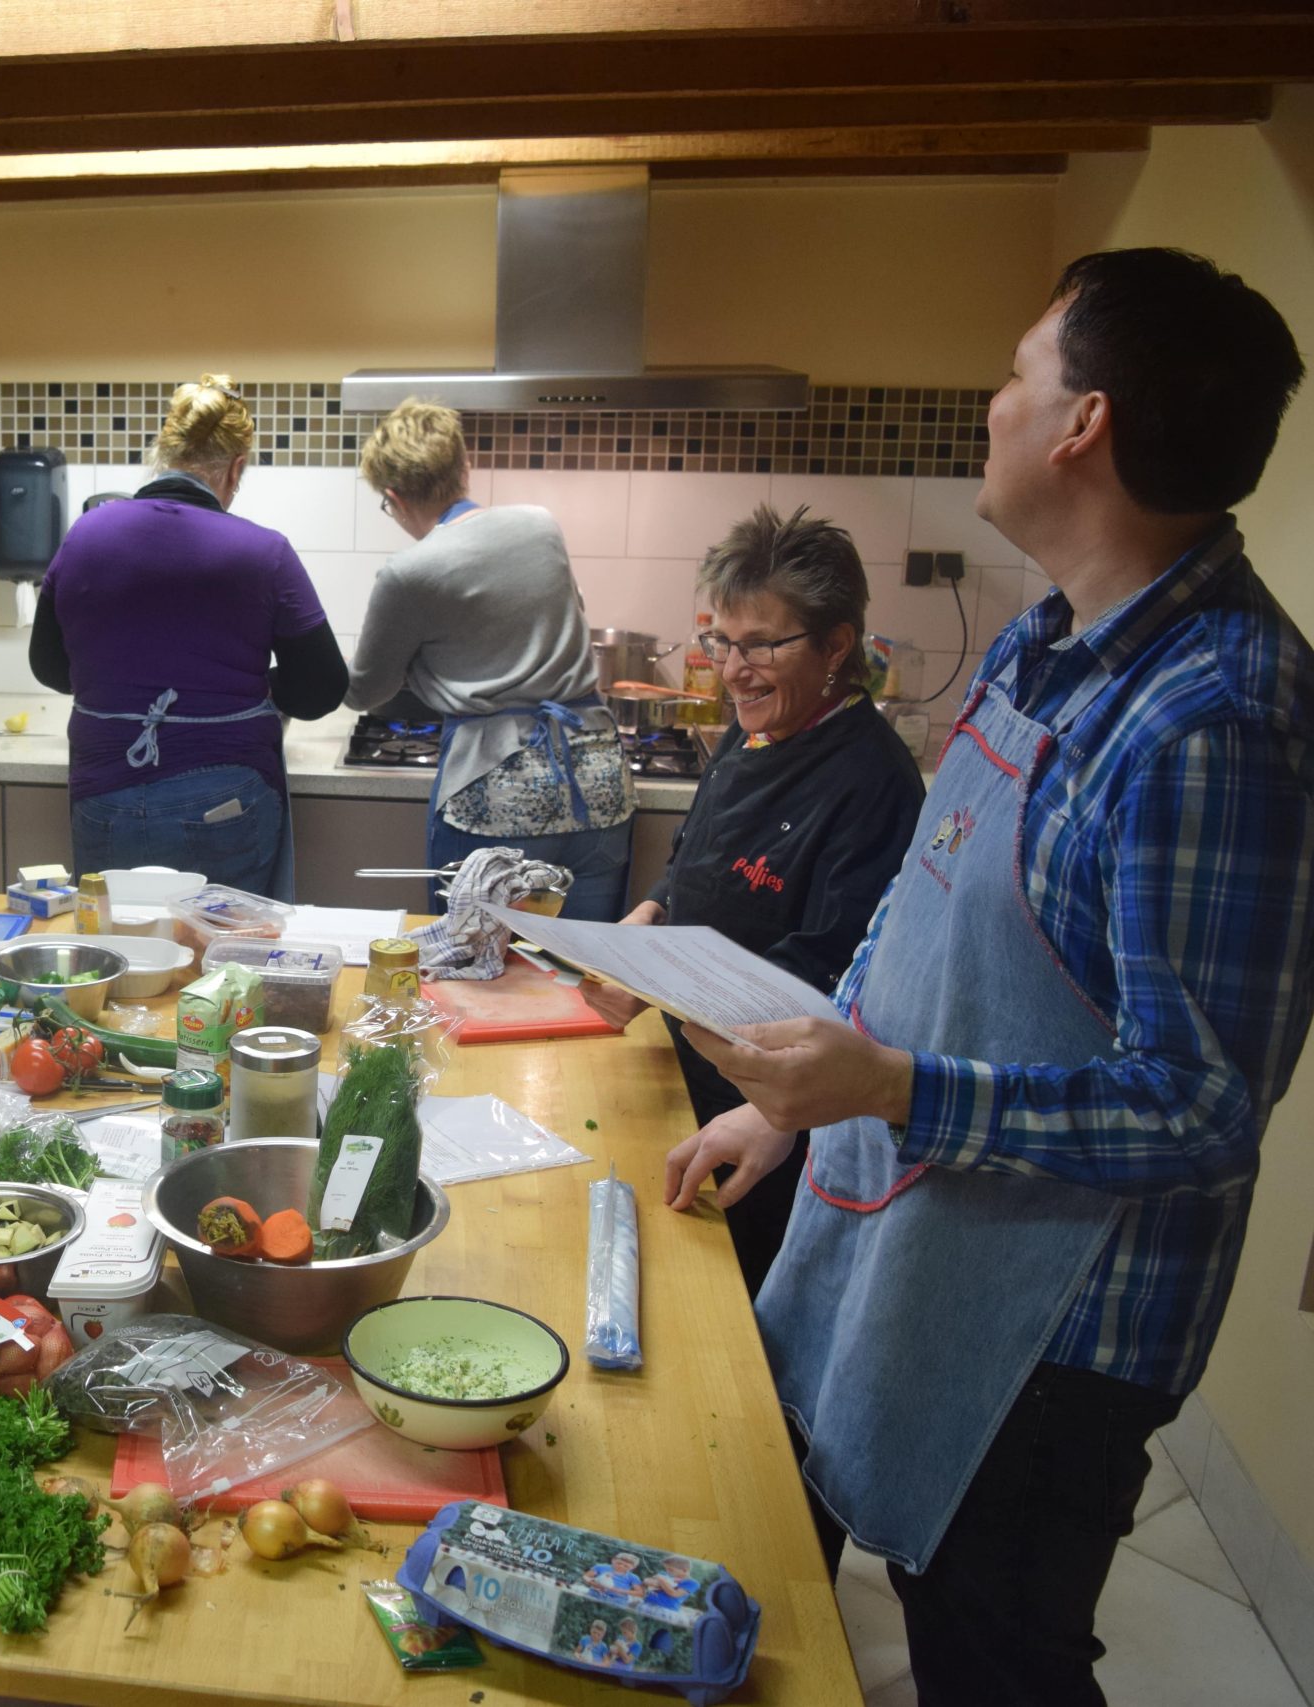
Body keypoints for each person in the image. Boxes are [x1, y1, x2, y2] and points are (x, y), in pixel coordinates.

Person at [666, 248, 1310, 1706]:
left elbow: (1200, 1108)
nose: (992, 400)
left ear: (1085, 423)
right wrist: (794, 1105)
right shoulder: (1048, 638)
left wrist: (894, 1086)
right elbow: (928, 910)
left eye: (1019, 372)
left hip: (1054, 1329)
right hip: (907, 1229)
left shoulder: (1216, 720)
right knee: (804, 1560)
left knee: (992, 1655)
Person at [584, 506, 925, 1296]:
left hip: (771, 1119)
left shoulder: (872, 783)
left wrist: (659, 978)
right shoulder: (755, 729)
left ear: (836, 646)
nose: (734, 671)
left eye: (762, 644)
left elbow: (830, 975)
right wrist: (647, 921)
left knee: (727, 1310)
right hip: (685, 1073)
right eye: (723, 641)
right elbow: (693, 863)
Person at [30, 374, 347, 898]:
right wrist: (258, 687)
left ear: (164, 453)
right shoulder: (261, 552)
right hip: (226, 798)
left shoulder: (85, 536)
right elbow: (322, 688)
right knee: (223, 947)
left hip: (103, 796)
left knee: (122, 941)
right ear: (236, 467)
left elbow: (49, 666)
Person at [344, 400, 633, 919]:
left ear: (395, 497)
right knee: (585, 963)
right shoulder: (541, 524)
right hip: (596, 783)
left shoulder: (409, 572)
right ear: (464, 466)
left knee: (471, 961)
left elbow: (366, 690)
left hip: (495, 795)